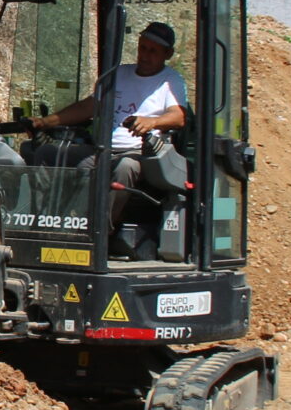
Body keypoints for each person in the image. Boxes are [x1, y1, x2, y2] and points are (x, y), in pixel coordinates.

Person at [28, 21, 189, 247]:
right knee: (48, 153)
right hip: (103, 148)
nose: (145, 55)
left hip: (139, 152)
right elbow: (89, 107)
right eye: (143, 47)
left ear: (168, 53)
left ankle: (99, 234)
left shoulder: (170, 80)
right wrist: (46, 122)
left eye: (153, 51)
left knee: (125, 168)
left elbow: (179, 116)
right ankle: (42, 222)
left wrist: (152, 122)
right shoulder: (119, 74)